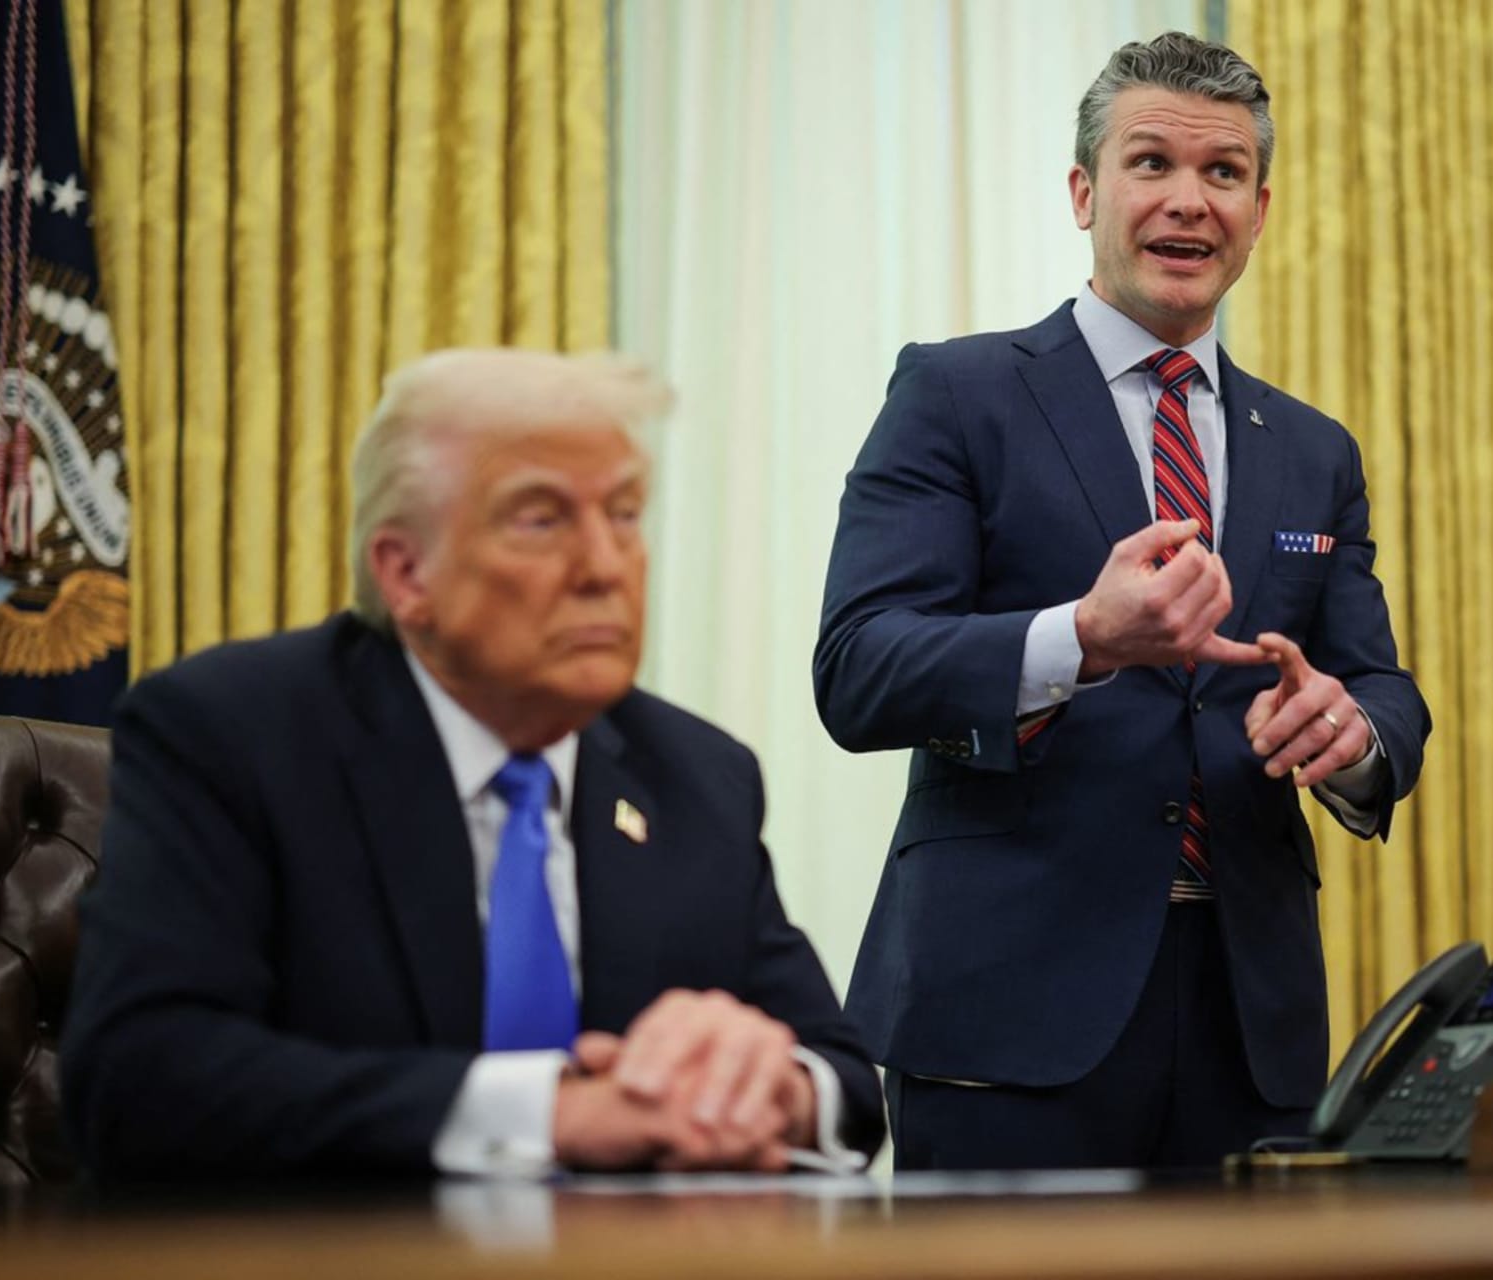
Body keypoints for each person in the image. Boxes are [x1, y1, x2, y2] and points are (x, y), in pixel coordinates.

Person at [814, 32, 1429, 1170]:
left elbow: (1381, 686)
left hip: (1254, 1023)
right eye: (1152, 163)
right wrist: (1081, 640)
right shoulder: (958, 393)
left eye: (1225, 173)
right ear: (1085, 190)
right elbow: (860, 666)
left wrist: (1350, 737)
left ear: (1259, 207)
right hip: (1009, 1013)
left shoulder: (1311, 448)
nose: (1189, 201)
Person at [63, 349, 885, 1177]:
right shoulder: (234, 733)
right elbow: (141, 1077)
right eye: (542, 519)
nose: (605, 567)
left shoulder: (695, 775)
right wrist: (548, 1113)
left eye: (626, 515)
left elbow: (846, 1083)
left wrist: (772, 1086)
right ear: (406, 572)